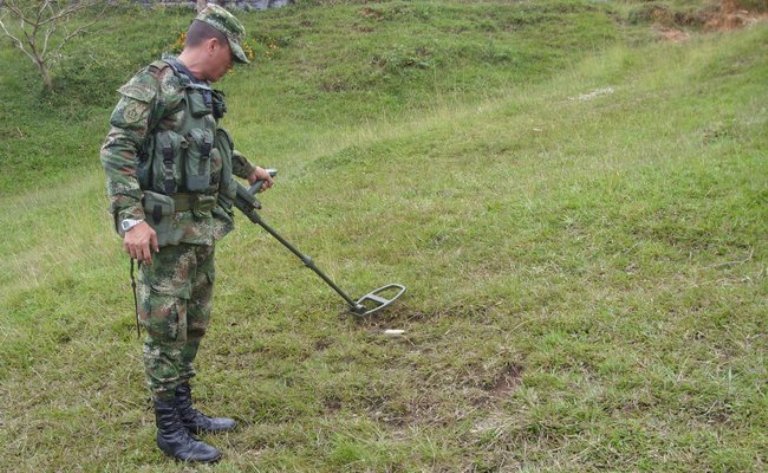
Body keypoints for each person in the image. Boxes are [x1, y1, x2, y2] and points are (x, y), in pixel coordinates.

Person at [100, 5, 273, 463]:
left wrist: (247, 168)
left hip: (200, 228)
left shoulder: (199, 89)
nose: (231, 66)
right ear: (212, 44)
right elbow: (117, 148)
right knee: (165, 328)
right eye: (230, 56)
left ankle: (184, 407)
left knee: (192, 323)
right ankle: (169, 429)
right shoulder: (153, 83)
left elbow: (211, 143)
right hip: (162, 232)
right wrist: (130, 219)